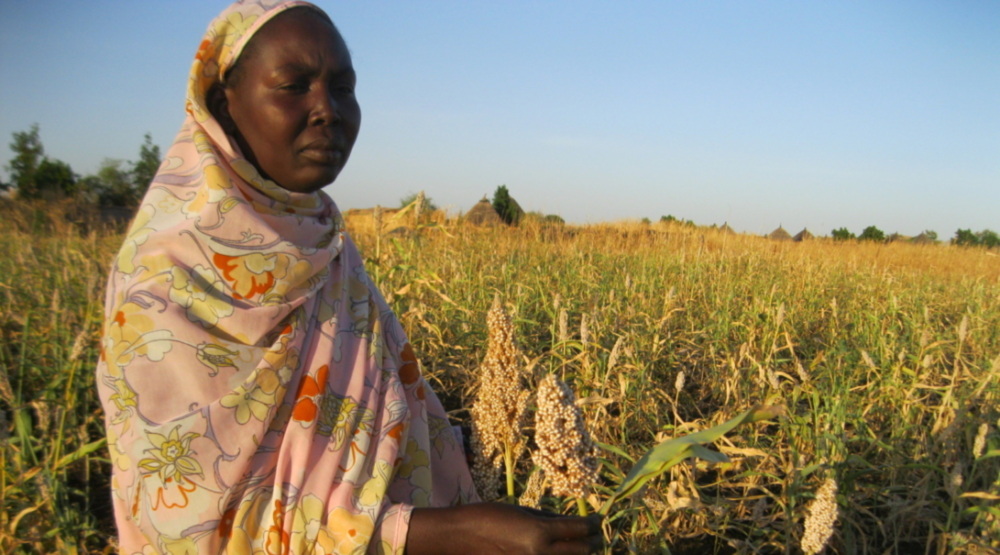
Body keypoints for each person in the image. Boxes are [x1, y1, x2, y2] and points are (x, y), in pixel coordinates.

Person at [95, 1, 602, 553]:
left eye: (342, 86)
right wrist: (439, 534)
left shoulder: (324, 244)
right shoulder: (164, 283)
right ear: (223, 104)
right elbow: (190, 528)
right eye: (293, 85)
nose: (327, 109)